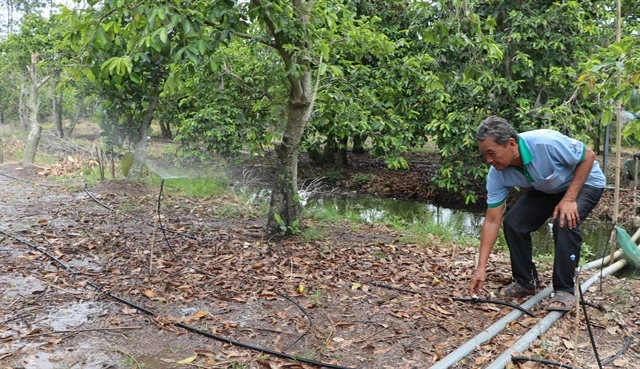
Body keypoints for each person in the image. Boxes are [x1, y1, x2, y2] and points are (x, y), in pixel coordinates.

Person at [468, 116, 606, 311]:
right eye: (485, 155)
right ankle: (526, 283)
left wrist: (569, 199)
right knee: (514, 223)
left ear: (512, 144)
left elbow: (588, 156)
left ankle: (564, 290)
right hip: (548, 188)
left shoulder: (545, 143)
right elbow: (492, 221)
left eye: (492, 153)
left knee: (564, 221)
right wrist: (480, 268)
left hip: (585, 182)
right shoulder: (497, 173)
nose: (489, 160)